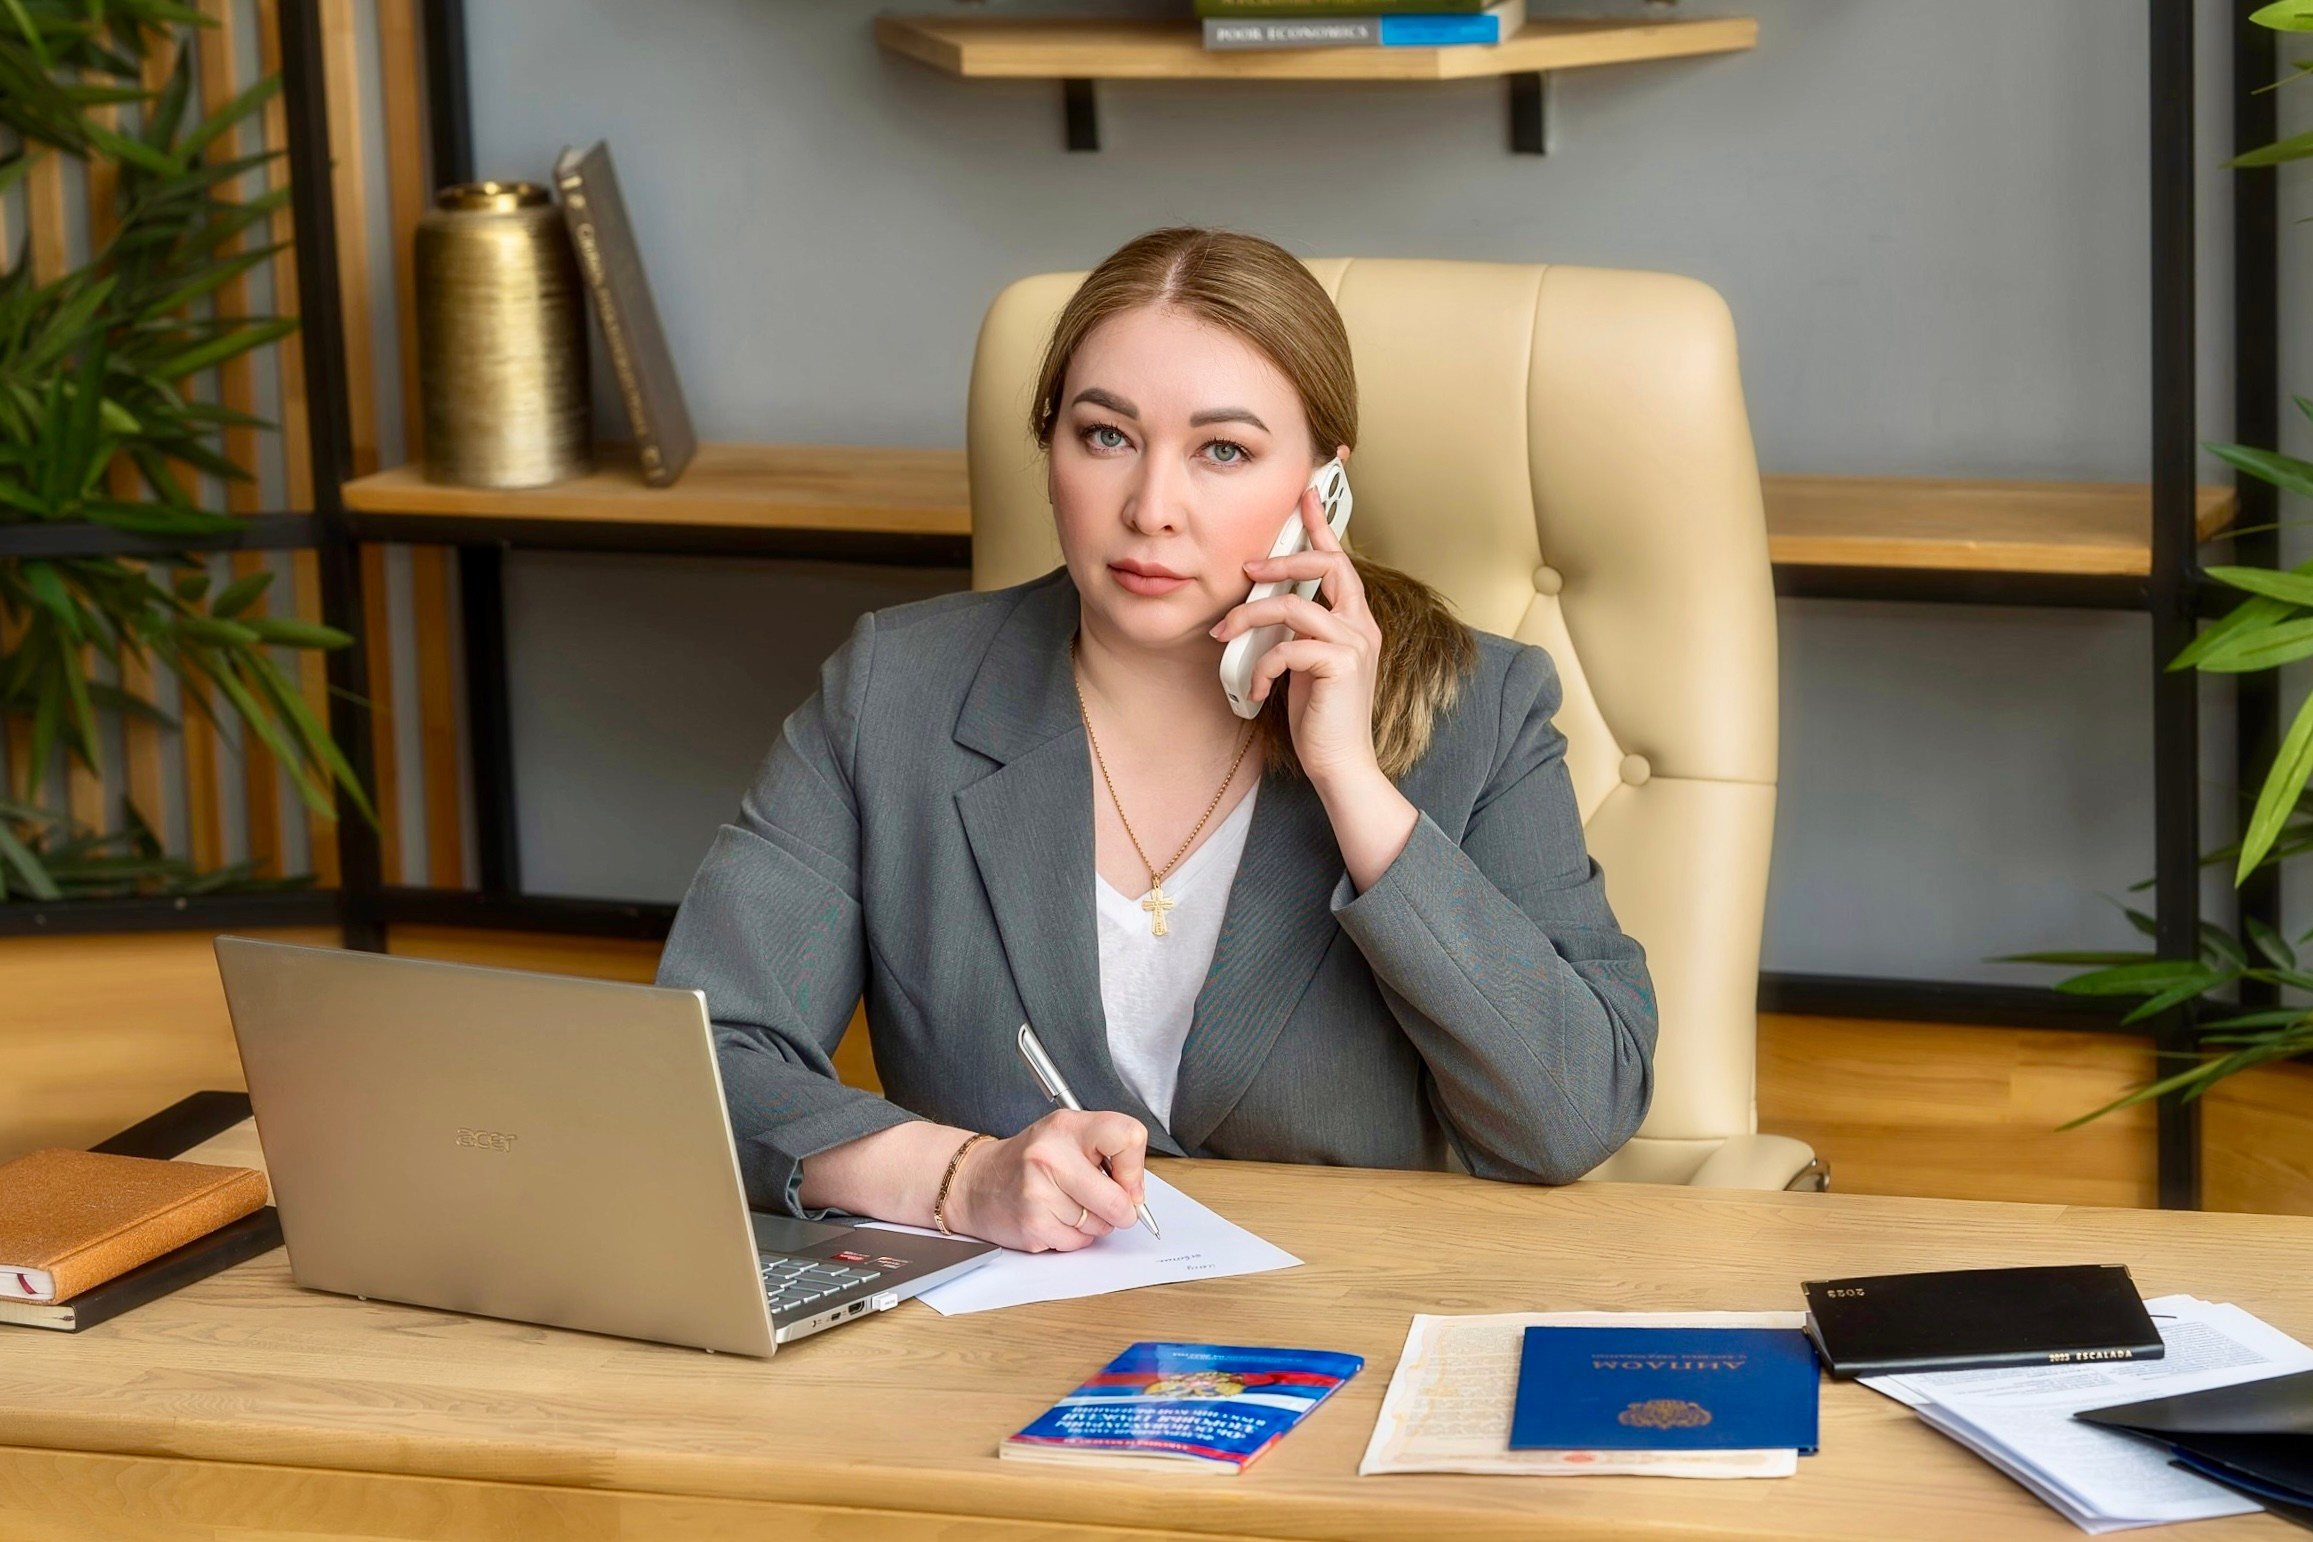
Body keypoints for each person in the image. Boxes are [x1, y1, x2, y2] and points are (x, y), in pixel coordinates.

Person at [657, 227, 1656, 1255]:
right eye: (1105, 436)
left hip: (1339, 1316)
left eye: (1223, 451)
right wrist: (956, 1178)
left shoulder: (1478, 711)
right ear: (1049, 448)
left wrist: (1353, 783)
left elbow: (1574, 1115)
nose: (1150, 509)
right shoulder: (896, 692)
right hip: (999, 1327)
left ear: (1323, 488)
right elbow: (702, 1058)